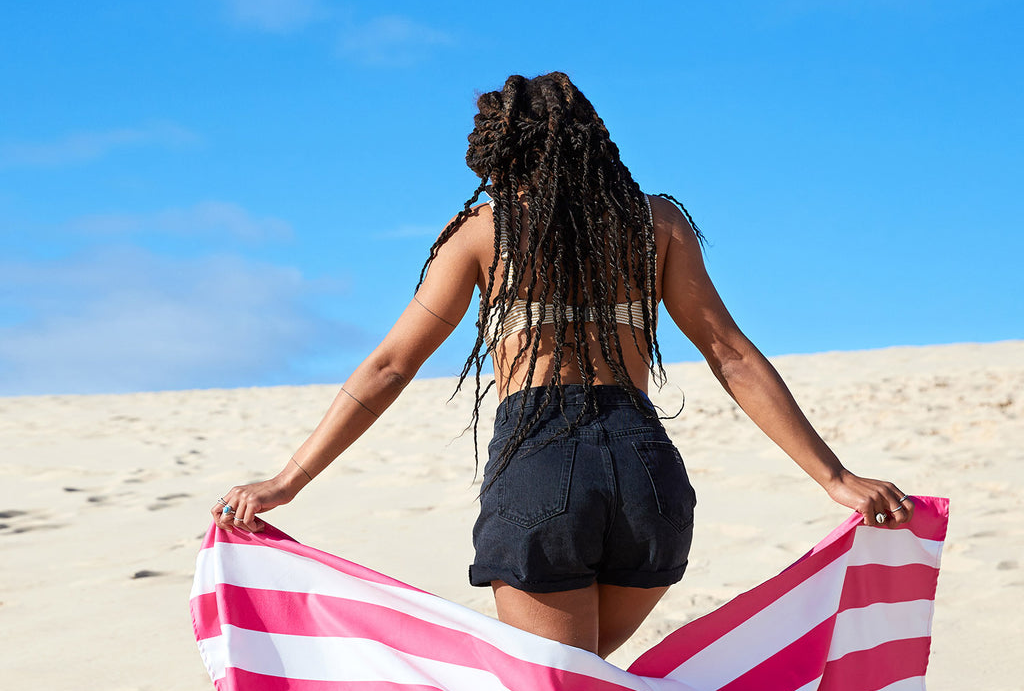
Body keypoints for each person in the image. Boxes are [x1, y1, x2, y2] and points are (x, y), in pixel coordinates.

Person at [211, 71, 913, 659]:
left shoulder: (482, 234)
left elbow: (391, 365)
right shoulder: (657, 223)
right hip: (647, 477)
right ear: (594, 141)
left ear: (497, 152)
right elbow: (729, 351)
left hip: (540, 466)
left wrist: (287, 481)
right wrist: (834, 476)